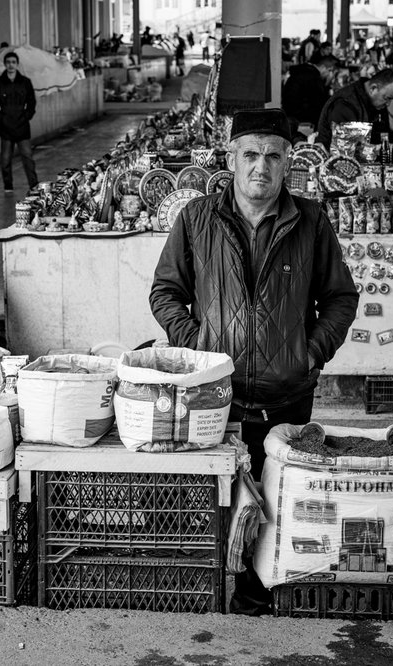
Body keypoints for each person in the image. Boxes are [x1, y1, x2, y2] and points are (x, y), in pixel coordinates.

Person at [149, 108, 358, 615]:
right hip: (213, 398)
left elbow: (340, 298)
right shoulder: (197, 218)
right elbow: (165, 292)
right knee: (213, 503)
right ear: (232, 158)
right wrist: (197, 346)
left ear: (288, 163)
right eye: (250, 155)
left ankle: (259, 605)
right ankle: (208, 598)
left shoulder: (310, 221)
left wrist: (307, 354)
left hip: (285, 399)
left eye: (272, 155)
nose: (260, 166)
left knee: (276, 506)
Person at [0, 51, 38, 193]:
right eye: (8, 62)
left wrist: (27, 116)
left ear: (17, 64)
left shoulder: (25, 82)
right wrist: (0, 118)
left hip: (22, 125)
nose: (11, 65)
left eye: (13, 62)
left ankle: (34, 185)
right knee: (5, 159)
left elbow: (32, 102)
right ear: (4, 64)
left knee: (28, 157)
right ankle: (8, 186)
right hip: (5, 127)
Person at [315, 67, 393, 149]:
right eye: (387, 98)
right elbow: (345, 149)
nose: (388, 104)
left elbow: (382, 134)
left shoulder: (377, 103)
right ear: (373, 89)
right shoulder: (345, 104)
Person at [282, 54, 338, 137]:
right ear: (323, 67)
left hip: (289, 113)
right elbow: (319, 102)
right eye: (329, 71)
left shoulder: (303, 71)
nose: (329, 74)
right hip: (301, 119)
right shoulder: (313, 77)